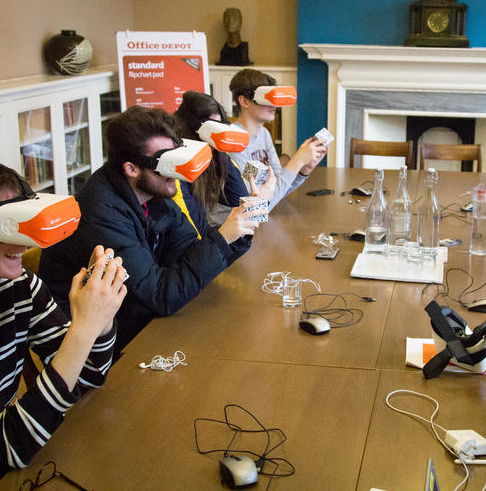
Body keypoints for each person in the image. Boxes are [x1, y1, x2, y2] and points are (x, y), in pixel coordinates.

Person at [0, 149, 126, 488]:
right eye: (7, 228)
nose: (22, 243)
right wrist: (83, 329)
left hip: (8, 451)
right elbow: (9, 443)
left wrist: (102, 314)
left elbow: (88, 376)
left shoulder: (18, 285)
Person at [39, 106, 265, 354]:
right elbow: (160, 295)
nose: (175, 171)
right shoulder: (99, 215)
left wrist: (241, 228)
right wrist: (223, 237)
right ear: (132, 168)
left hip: (142, 323)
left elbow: (190, 256)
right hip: (97, 350)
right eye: (165, 162)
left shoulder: (155, 192)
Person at [173, 90, 276, 228]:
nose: (217, 135)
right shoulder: (176, 172)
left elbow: (238, 199)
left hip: (215, 241)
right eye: (213, 129)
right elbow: (197, 236)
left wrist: (258, 202)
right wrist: (258, 204)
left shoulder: (218, 154)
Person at [228, 68, 327, 210]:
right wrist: (297, 161)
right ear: (244, 101)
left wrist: (303, 170)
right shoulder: (233, 141)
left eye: (275, 98)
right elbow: (254, 207)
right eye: (266, 98)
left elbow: (278, 190)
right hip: (238, 225)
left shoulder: (264, 134)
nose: (274, 104)